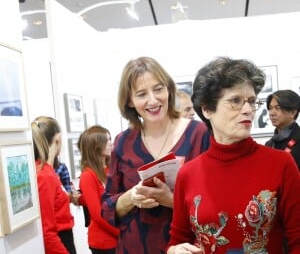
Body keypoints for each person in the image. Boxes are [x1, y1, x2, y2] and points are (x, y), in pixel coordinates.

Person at [166, 57, 300, 253]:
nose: (247, 110)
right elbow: (177, 240)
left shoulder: (281, 164)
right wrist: (174, 250)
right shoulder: (188, 174)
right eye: (235, 101)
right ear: (207, 109)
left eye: (252, 101)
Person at [101, 56, 210, 254]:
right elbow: (106, 206)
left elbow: (216, 201)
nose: (153, 100)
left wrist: (171, 200)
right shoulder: (123, 142)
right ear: (130, 101)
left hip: (185, 247)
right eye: (142, 94)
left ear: (169, 89)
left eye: (158, 89)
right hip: (134, 247)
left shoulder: (199, 134)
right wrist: (131, 197)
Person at [31, 116, 78, 254]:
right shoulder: (44, 175)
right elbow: (47, 232)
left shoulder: (47, 171)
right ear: (58, 139)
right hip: (59, 241)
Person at [78, 125, 120, 254]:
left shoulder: (110, 169)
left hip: (118, 237)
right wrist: (121, 232)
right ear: (96, 146)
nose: (111, 143)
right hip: (104, 242)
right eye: (106, 140)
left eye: (110, 139)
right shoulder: (88, 175)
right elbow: (97, 215)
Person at [265, 89, 300, 170]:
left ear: (293, 112)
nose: (272, 113)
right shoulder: (269, 144)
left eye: (277, 108)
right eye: (270, 108)